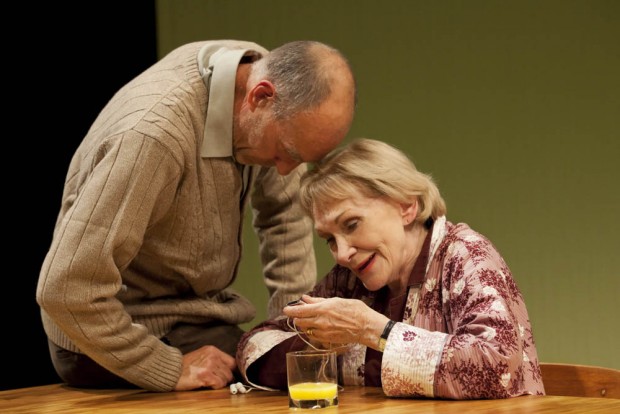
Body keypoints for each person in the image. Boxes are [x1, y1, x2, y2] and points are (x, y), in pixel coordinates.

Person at [36, 39, 356, 392]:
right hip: (107, 334)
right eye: (286, 152)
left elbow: (285, 218)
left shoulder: (259, 76)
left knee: (280, 367)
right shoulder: (151, 137)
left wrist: (290, 330)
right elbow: (67, 289)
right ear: (259, 97)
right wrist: (166, 368)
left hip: (195, 318)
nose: (285, 172)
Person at [236, 138, 545, 399]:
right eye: (329, 239)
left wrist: (373, 330)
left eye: (352, 224)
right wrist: (317, 340)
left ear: (406, 205)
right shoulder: (347, 280)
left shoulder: (466, 255)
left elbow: (498, 365)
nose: (342, 254)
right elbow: (255, 344)